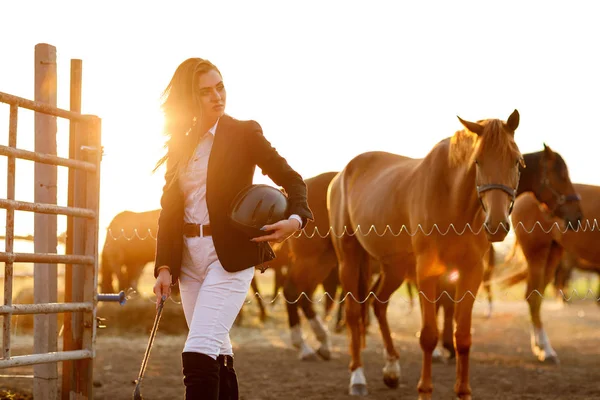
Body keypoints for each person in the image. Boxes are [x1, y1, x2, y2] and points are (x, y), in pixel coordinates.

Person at [151, 58, 314, 400]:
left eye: (220, 87)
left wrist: (295, 221)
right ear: (189, 98)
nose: (216, 96)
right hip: (188, 261)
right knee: (218, 353)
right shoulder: (180, 143)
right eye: (205, 91)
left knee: (197, 351)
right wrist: (165, 266)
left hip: (229, 258)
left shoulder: (243, 133)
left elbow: (292, 180)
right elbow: (170, 210)